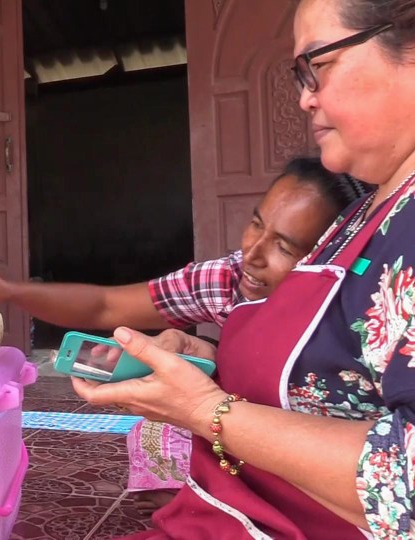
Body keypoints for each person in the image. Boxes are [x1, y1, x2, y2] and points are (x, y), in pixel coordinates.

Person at [66, 0, 415, 537]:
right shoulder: (365, 212)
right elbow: (338, 382)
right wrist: (208, 360)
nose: (304, 97)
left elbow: (405, 488)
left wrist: (205, 408)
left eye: (317, 66)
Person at [0, 157, 366, 513]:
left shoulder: (363, 314)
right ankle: (195, 509)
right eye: (256, 224)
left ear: (329, 256)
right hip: (231, 453)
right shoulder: (229, 278)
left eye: (285, 247)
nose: (252, 255)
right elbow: (106, 305)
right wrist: (6, 290)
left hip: (323, 478)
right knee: (157, 430)